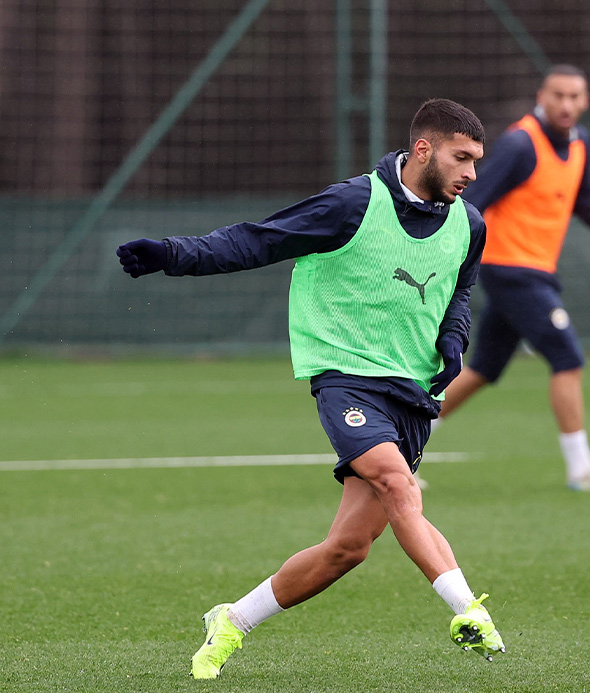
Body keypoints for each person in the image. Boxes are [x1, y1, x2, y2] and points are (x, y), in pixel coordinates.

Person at [115, 98, 505, 678]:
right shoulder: (353, 203)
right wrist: (173, 254)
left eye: (477, 160)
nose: (472, 173)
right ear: (423, 149)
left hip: (413, 393)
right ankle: (467, 610)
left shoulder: (469, 223)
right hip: (347, 378)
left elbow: (460, 289)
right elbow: (257, 240)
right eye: (462, 158)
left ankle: (232, 620)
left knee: (347, 550)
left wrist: (454, 336)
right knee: (400, 484)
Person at [424, 64, 590, 492]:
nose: (566, 104)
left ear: (585, 101)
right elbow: (475, 198)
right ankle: (582, 470)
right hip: (510, 269)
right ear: (542, 96)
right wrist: (446, 252)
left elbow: (584, 201)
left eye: (575, 97)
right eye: (558, 95)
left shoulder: (581, 144)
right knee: (567, 357)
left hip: (536, 270)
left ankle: (395, 443)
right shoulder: (521, 144)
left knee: (482, 368)